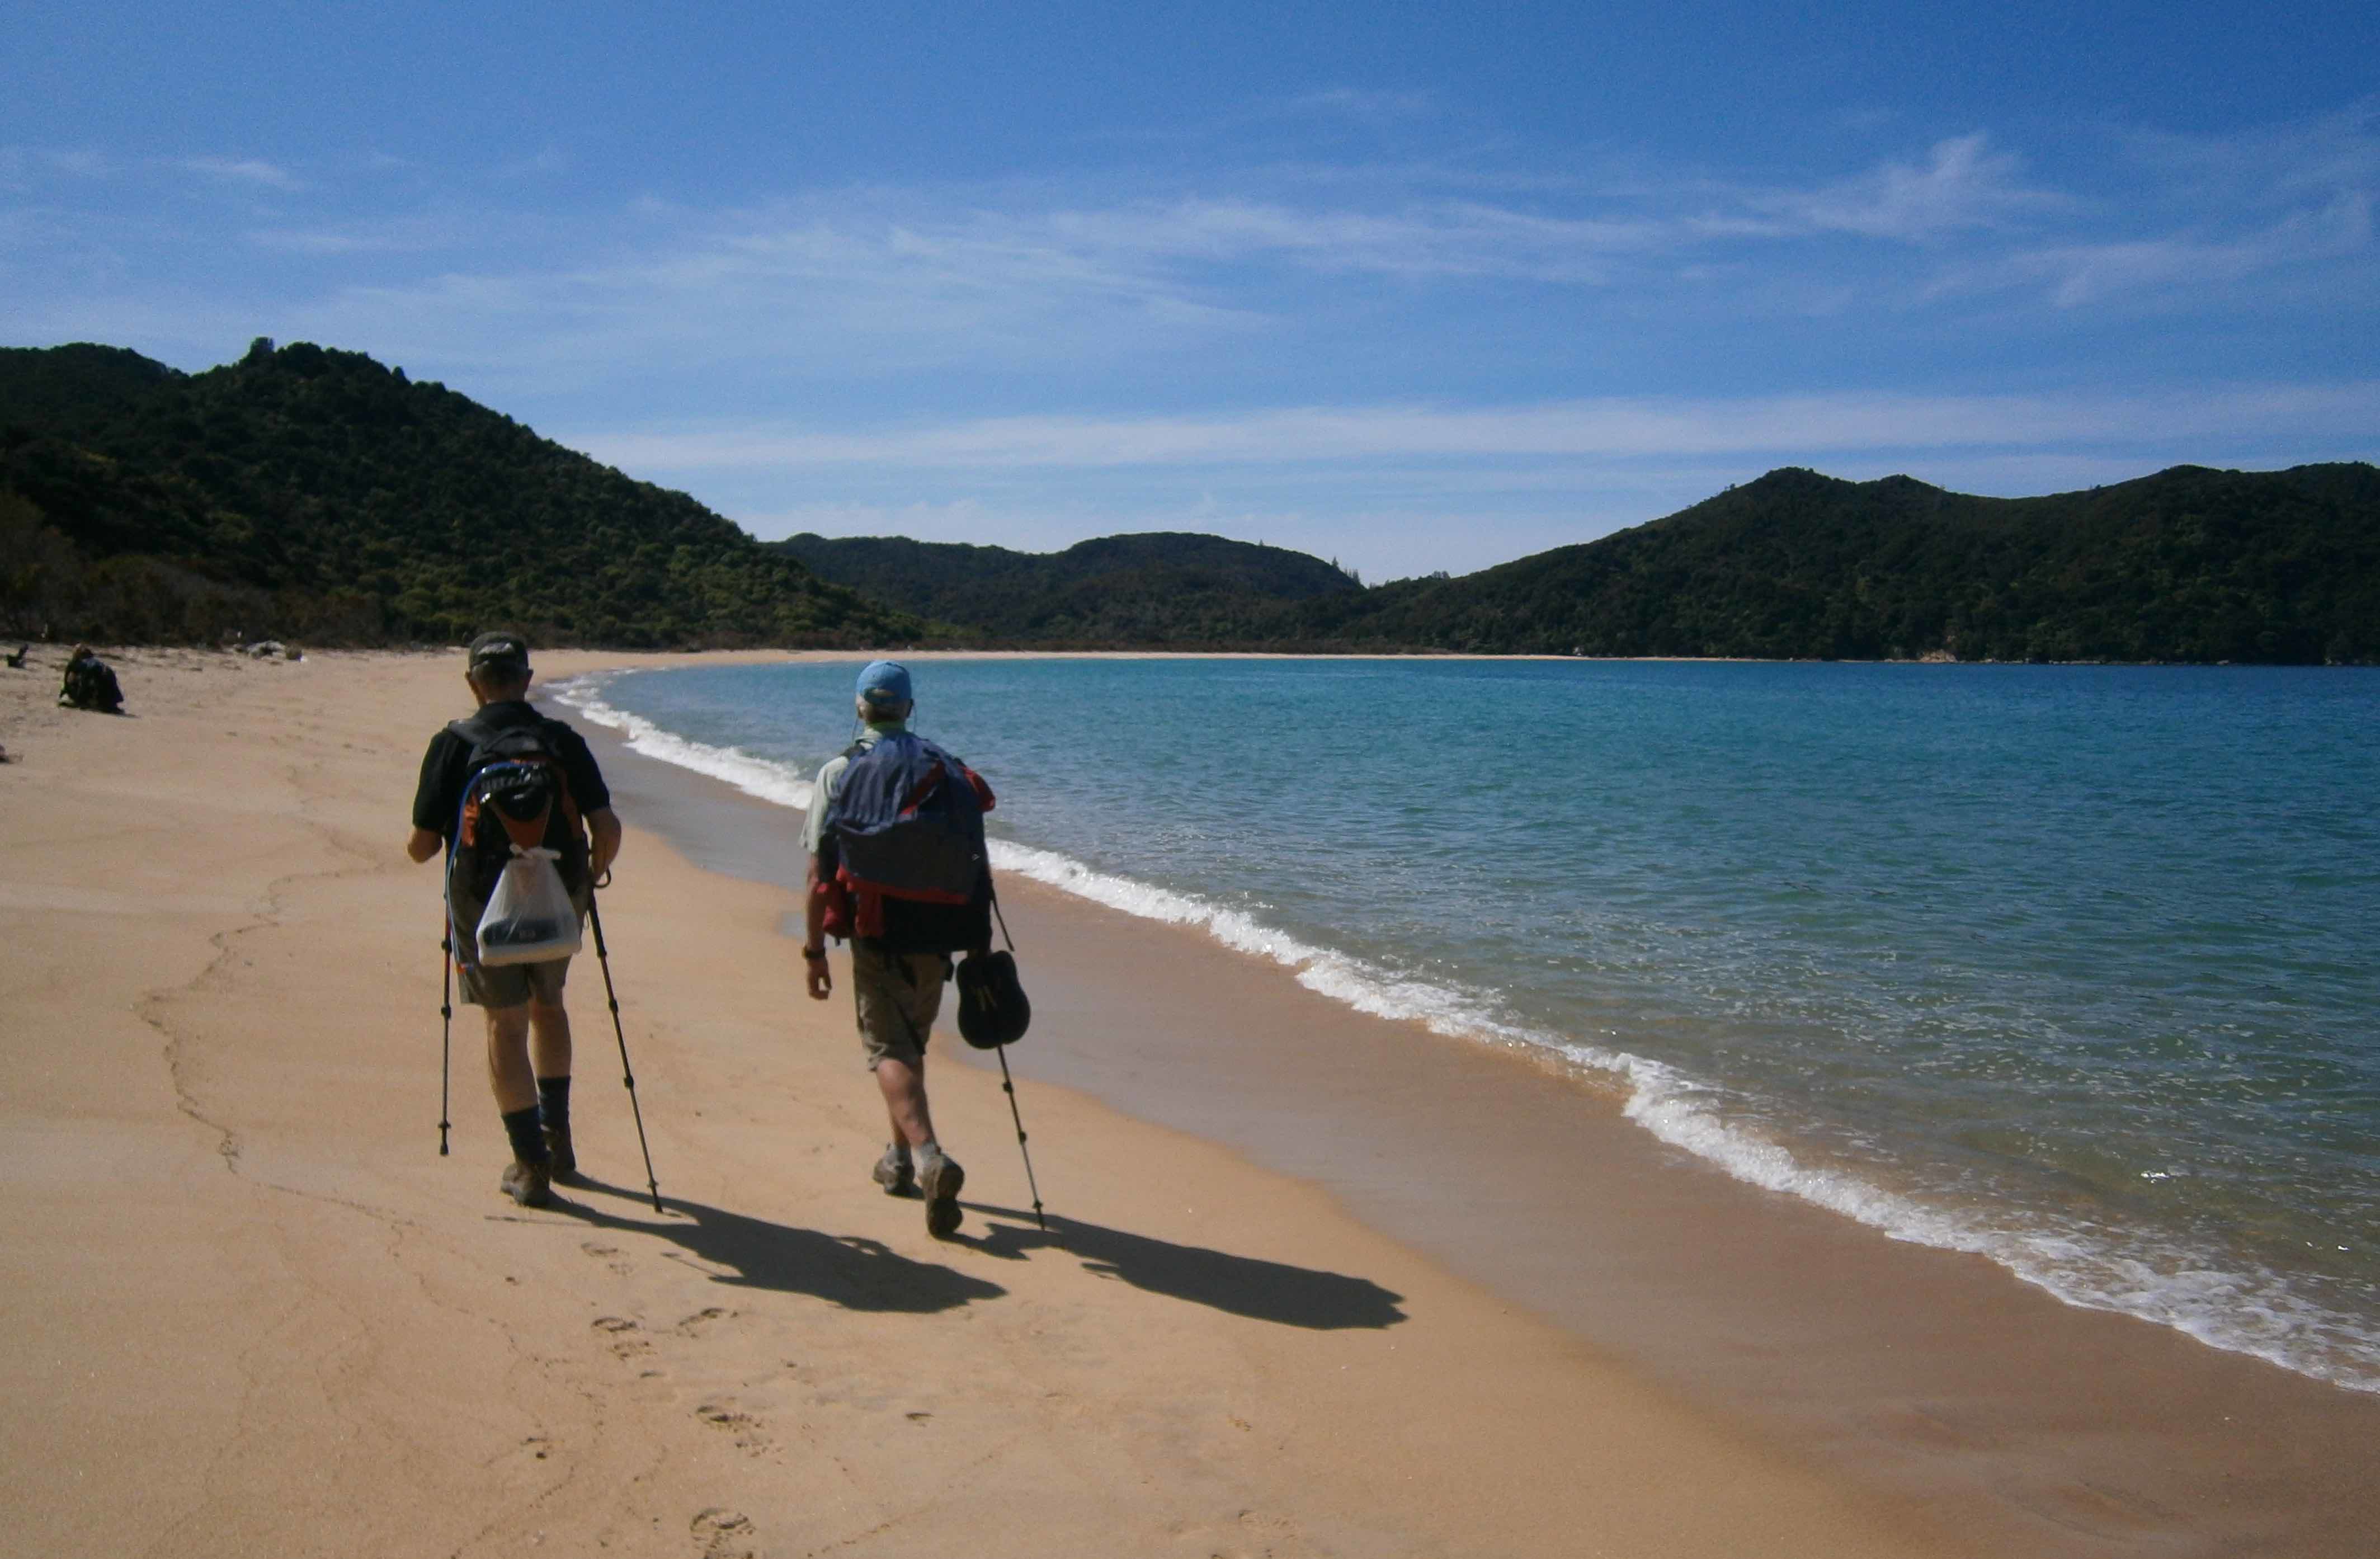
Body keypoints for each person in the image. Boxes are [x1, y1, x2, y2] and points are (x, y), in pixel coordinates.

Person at [406, 632, 621, 1208]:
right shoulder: (561, 741)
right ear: (526, 680)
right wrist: (588, 878)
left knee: (504, 1025)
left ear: (474, 682)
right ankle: (559, 1141)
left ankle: (530, 1168)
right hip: (559, 896)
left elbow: (423, 847)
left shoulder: (453, 743)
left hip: (482, 906)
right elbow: (608, 830)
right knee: (548, 1007)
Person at [802, 660, 991, 1238]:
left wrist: (813, 951)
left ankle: (930, 1156)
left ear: (861, 706)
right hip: (940, 929)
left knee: (887, 1048)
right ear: (908, 708)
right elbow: (978, 863)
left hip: (875, 929)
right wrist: (978, 945)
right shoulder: (948, 771)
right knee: (909, 1045)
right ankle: (898, 1161)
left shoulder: (840, 771)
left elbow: (817, 873)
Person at [58, 645, 124, 712]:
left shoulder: (86, 665)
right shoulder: (100, 665)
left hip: (102, 701)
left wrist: (78, 700)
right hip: (112, 700)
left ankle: (98, 703)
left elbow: (84, 685)